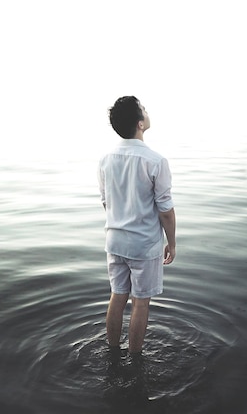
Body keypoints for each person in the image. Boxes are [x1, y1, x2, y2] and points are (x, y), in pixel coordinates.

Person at [98, 96, 176, 358]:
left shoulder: (106, 159)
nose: (147, 111)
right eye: (144, 109)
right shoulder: (155, 161)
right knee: (140, 304)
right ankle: (134, 362)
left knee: (117, 296)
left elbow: (106, 203)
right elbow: (165, 210)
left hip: (115, 240)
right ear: (140, 124)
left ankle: (111, 354)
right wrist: (172, 243)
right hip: (143, 244)